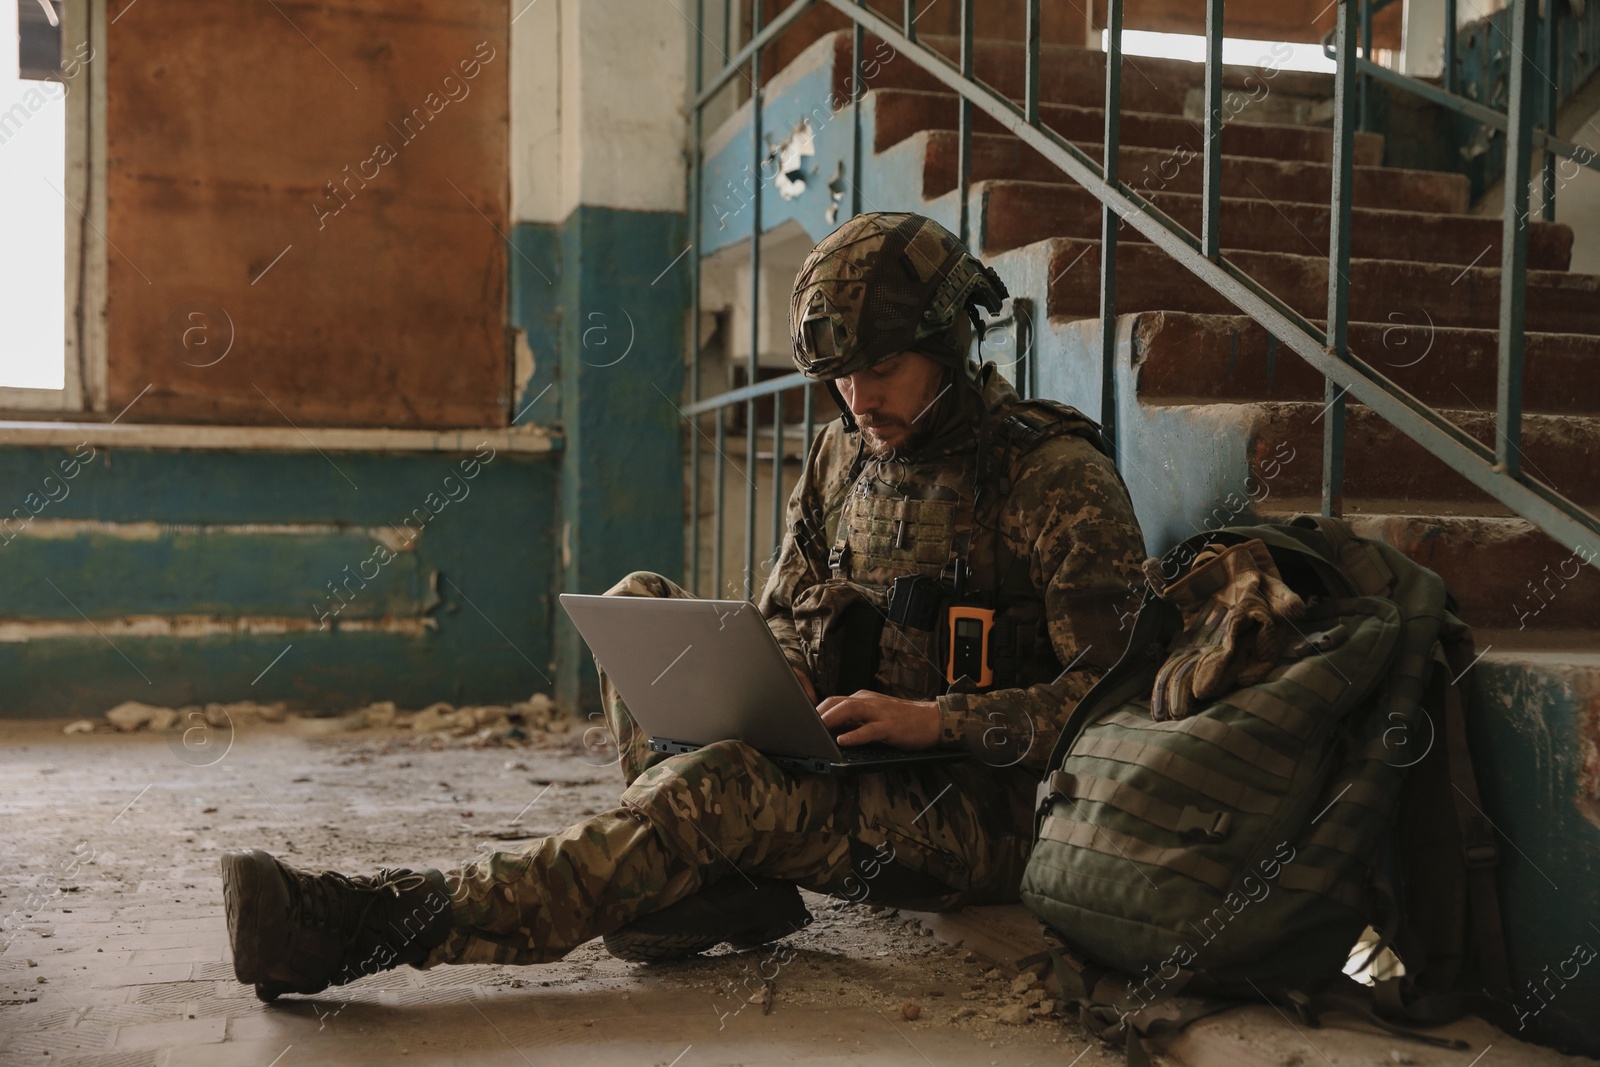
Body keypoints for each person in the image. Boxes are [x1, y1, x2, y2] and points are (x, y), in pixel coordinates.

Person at [220, 211, 1148, 1002]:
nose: (859, 398)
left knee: (713, 788)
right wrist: (778, 667)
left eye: (886, 368)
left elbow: (1117, 710)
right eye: (841, 377)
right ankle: (711, 875)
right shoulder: (843, 455)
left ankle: (370, 923)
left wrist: (937, 716)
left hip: (981, 814)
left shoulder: (1051, 478)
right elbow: (787, 603)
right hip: (844, 754)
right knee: (641, 603)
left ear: (951, 345)